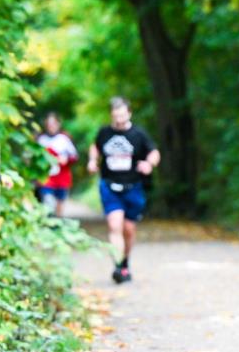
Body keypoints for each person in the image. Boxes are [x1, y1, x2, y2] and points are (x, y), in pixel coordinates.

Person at [87, 97, 161, 284]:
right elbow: (95, 147)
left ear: (129, 113)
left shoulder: (139, 134)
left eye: (122, 115)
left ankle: (125, 262)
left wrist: (149, 164)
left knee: (128, 229)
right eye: (115, 116)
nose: (119, 120)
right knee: (114, 225)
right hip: (109, 186)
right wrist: (92, 161)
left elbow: (154, 152)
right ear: (111, 115)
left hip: (133, 187)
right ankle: (118, 266)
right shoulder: (104, 132)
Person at [35, 112, 78, 217]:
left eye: (53, 124)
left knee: (60, 204)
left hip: (62, 178)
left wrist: (66, 159)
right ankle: (49, 222)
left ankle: (58, 222)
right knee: (48, 202)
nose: (51, 127)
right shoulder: (41, 139)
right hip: (46, 178)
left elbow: (74, 156)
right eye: (49, 124)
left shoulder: (64, 139)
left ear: (58, 124)